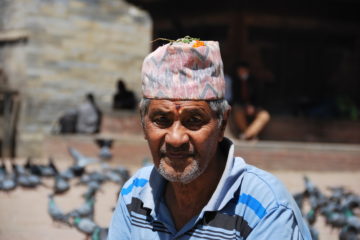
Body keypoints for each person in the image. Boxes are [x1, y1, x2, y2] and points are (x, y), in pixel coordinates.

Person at [108, 38, 311, 239]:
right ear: (143, 124)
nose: (175, 138)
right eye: (161, 120)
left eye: (194, 120)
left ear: (222, 124)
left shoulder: (266, 208)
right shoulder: (134, 193)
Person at [231, 61, 270, 140]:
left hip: (256, 107)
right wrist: (245, 106)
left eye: (242, 70)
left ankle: (246, 135)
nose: (241, 73)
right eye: (239, 71)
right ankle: (249, 135)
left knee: (265, 116)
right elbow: (235, 98)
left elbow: (260, 97)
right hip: (241, 107)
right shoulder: (235, 82)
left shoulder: (255, 81)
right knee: (237, 111)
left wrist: (254, 106)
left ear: (247, 70)